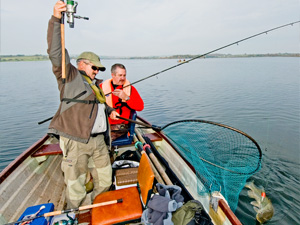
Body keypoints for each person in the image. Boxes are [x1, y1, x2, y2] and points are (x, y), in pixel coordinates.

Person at [47, 1, 119, 208]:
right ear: (81, 64)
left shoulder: (95, 85)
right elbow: (55, 52)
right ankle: (78, 214)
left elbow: (97, 106)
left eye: (98, 69)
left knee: (105, 178)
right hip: (75, 141)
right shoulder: (68, 76)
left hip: (99, 142)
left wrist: (110, 110)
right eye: (94, 67)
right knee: (76, 184)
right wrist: (55, 19)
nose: (97, 71)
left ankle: (98, 208)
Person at [100, 64, 144, 140]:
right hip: (103, 124)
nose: (123, 78)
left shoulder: (130, 89)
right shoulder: (101, 87)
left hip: (120, 126)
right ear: (113, 75)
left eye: (124, 75)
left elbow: (140, 107)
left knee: (102, 140)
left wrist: (126, 98)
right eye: (120, 75)